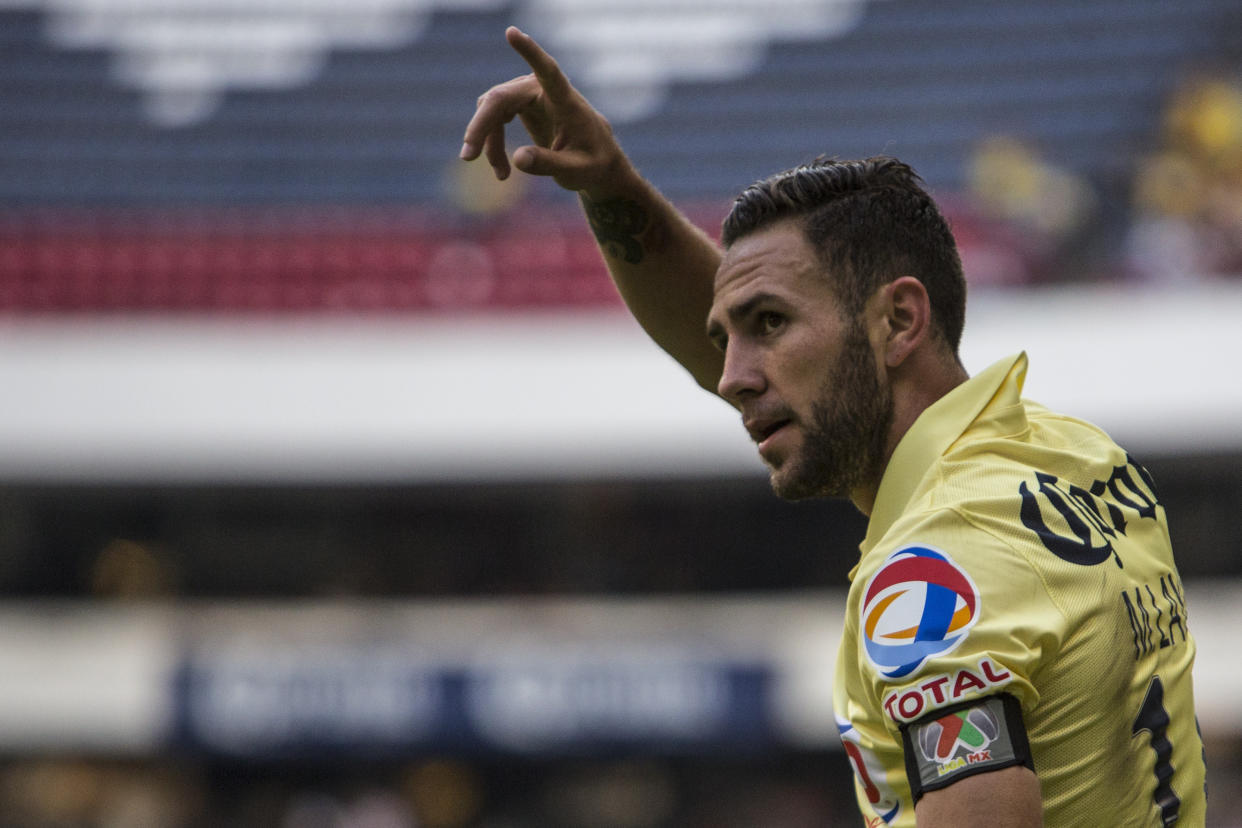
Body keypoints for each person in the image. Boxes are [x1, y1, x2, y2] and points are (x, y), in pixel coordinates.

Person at [461, 27, 1207, 827]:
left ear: (898, 320)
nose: (730, 375)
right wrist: (611, 188)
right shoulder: (1074, 457)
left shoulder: (931, 573)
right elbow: (785, 361)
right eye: (727, 337)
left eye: (770, 324)